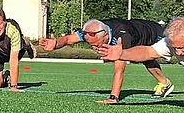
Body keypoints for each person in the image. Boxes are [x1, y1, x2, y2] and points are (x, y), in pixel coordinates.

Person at [39, 18, 175, 103]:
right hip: (137, 28)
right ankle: (164, 83)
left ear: (105, 35)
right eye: (90, 45)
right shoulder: (91, 30)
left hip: (153, 32)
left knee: (148, 58)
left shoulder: (121, 37)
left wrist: (113, 97)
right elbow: (68, 39)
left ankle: (165, 82)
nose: (94, 47)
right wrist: (56, 43)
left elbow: (119, 69)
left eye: (96, 44)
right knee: (145, 60)